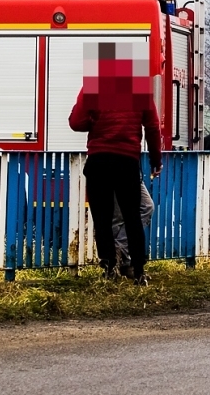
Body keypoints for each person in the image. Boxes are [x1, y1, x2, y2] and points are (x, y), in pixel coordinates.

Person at [68, 42, 162, 284]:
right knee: (132, 216)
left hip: (99, 162)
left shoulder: (93, 86)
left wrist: (95, 122)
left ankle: (109, 269)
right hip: (126, 162)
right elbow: (152, 126)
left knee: (102, 217)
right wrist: (155, 159)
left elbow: (76, 122)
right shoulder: (140, 90)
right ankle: (139, 271)